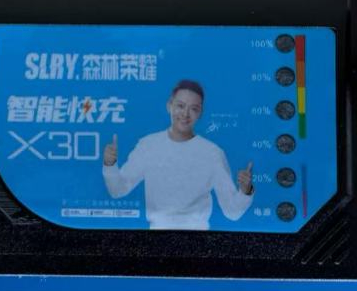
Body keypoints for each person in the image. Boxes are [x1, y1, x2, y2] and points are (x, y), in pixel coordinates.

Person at [101, 79, 254, 230]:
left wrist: (245, 190)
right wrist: (110, 164)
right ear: (169, 106)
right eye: (180, 106)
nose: (185, 114)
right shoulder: (148, 145)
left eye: (194, 109)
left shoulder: (213, 153)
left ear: (200, 113)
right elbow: (117, 190)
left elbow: (232, 212)